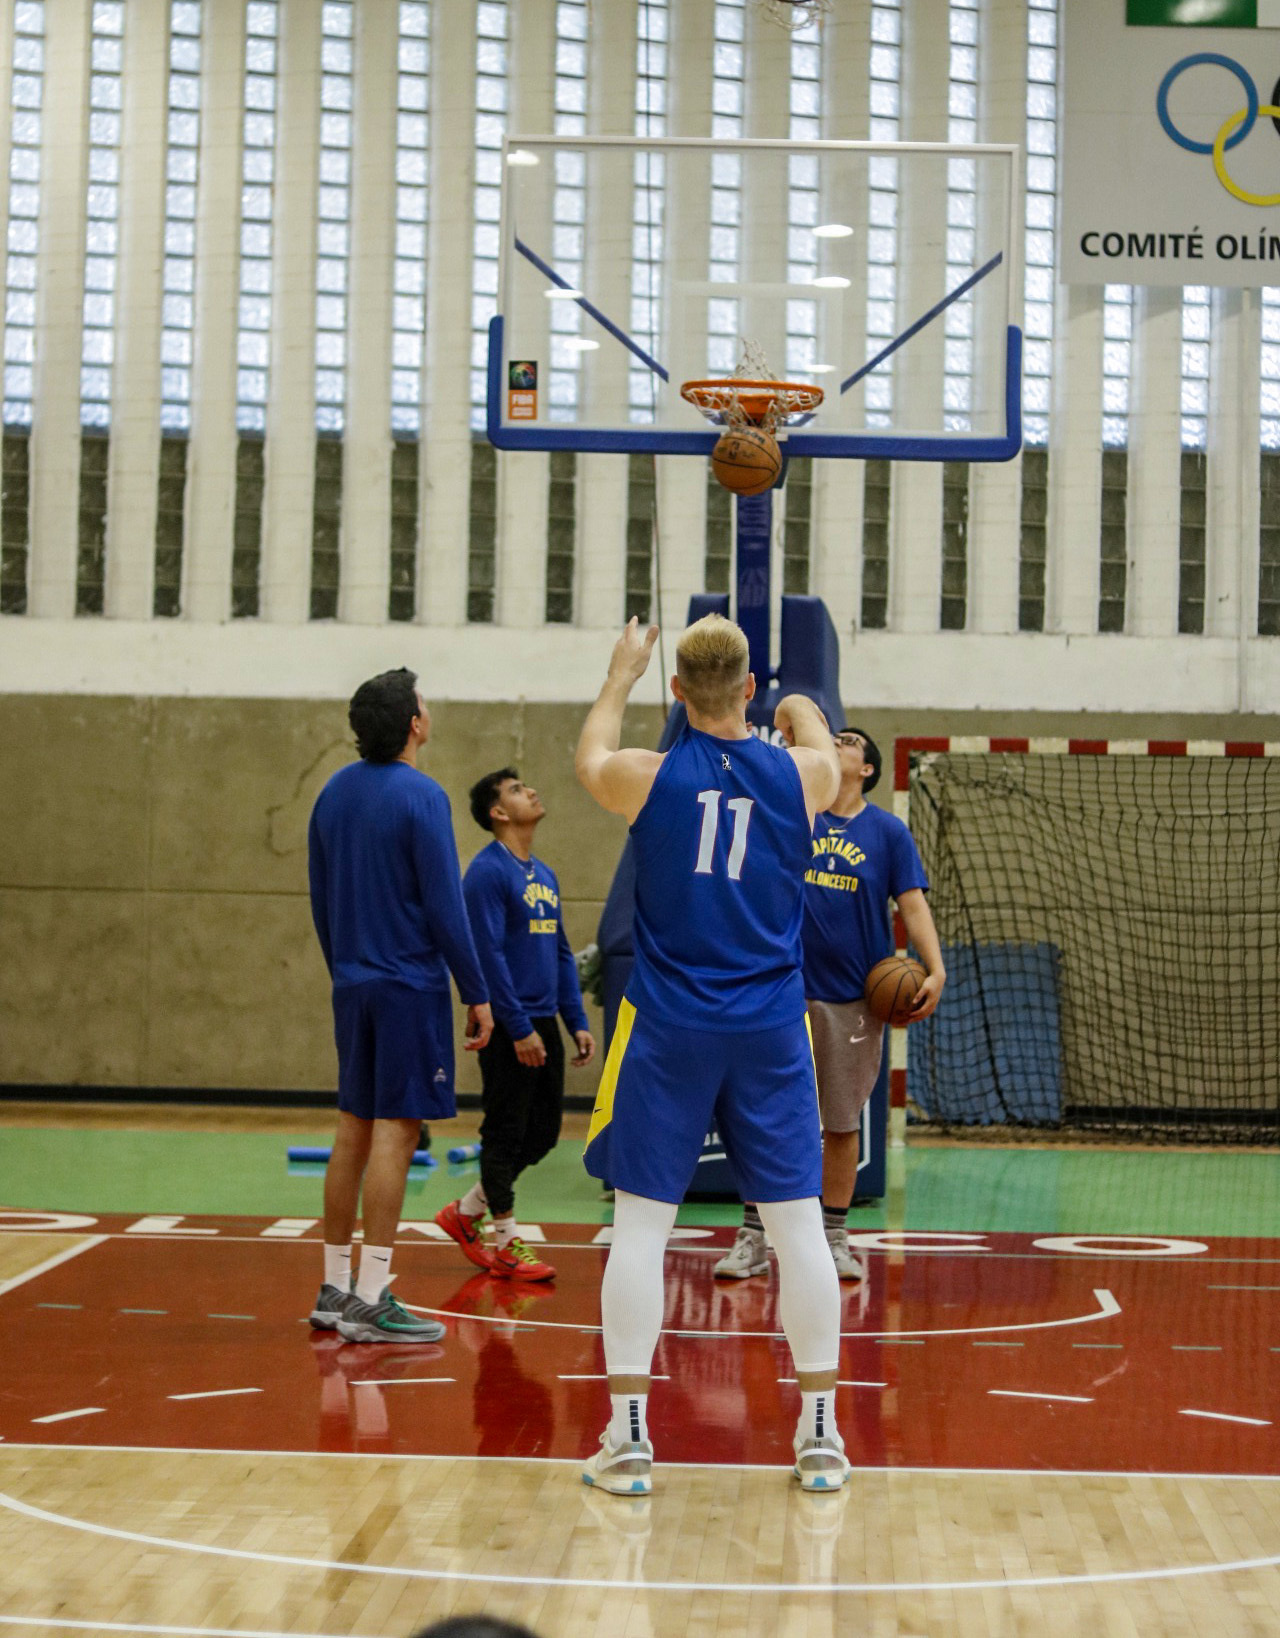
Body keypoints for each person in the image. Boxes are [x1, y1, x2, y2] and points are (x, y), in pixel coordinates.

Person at [574, 613, 848, 1496]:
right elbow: (831, 754)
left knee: (643, 1228)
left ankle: (628, 1439)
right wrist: (799, 704)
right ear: (751, 694)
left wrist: (621, 674)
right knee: (798, 1225)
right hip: (768, 1026)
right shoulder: (799, 772)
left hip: (669, 1023)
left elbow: (589, 757)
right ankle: (819, 1436)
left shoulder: (647, 778)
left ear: (681, 694)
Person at [716, 726, 945, 1283]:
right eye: (833, 738)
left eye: (848, 741)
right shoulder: (795, 814)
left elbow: (911, 905)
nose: (837, 743)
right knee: (765, 1118)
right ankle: (754, 1235)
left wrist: (934, 967)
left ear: (866, 768)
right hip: (778, 992)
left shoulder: (888, 833)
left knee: (841, 1125)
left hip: (852, 1000)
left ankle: (835, 1236)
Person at [307, 667, 493, 1344]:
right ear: (414, 723)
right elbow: (446, 907)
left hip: (353, 983)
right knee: (397, 1130)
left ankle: (333, 1287)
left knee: (352, 1128)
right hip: (408, 985)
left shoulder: (331, 794)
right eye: (424, 702)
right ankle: (373, 1293)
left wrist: (347, 973)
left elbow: (322, 900)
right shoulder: (423, 797)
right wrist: (477, 992)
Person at [435, 768, 596, 1281]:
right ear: (498, 813)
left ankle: (465, 1213)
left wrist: (574, 1019)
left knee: (545, 1134)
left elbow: (562, 953)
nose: (531, 790)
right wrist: (518, 1025)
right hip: (510, 1024)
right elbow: (488, 956)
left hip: (544, 1020)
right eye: (516, 790)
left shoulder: (543, 875)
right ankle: (504, 1240)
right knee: (504, 1132)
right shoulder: (486, 873)